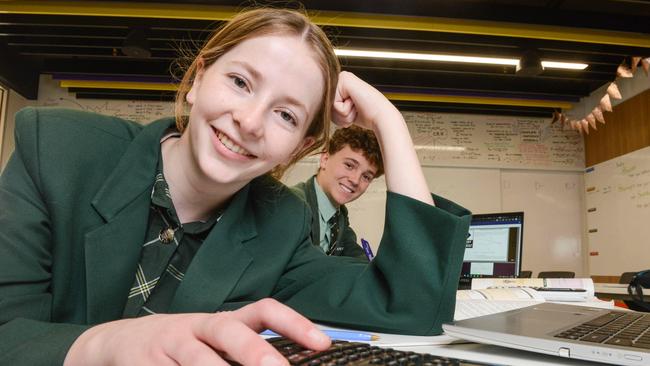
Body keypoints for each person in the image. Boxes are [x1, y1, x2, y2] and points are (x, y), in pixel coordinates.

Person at [0, 7, 471, 366]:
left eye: (285, 115)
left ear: (299, 147)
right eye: (241, 82)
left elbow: (413, 309)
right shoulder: (59, 150)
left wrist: (389, 124)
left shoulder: (282, 224)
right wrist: (100, 345)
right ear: (198, 79)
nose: (249, 121)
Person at [292, 126, 383, 260]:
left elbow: (354, 253)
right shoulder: (293, 204)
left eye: (366, 177)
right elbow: (308, 265)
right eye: (349, 165)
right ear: (325, 159)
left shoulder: (339, 215)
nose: (355, 180)